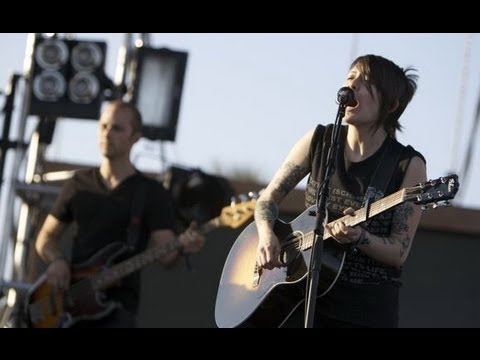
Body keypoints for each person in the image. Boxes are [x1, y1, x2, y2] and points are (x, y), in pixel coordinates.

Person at [253, 54, 427, 328]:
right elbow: (268, 198)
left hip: (365, 310)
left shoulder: (407, 165)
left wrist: (360, 237)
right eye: (350, 77)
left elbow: (399, 251)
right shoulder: (318, 141)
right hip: (303, 296)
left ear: (391, 104)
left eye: (365, 81)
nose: (352, 84)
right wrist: (265, 236)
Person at [34, 99, 205, 328]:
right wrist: (58, 261)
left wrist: (184, 246)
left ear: (135, 138)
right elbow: (45, 238)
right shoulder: (78, 183)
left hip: (117, 312)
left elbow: (166, 255)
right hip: (70, 307)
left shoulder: (151, 192)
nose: (107, 134)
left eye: (117, 128)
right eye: (103, 126)